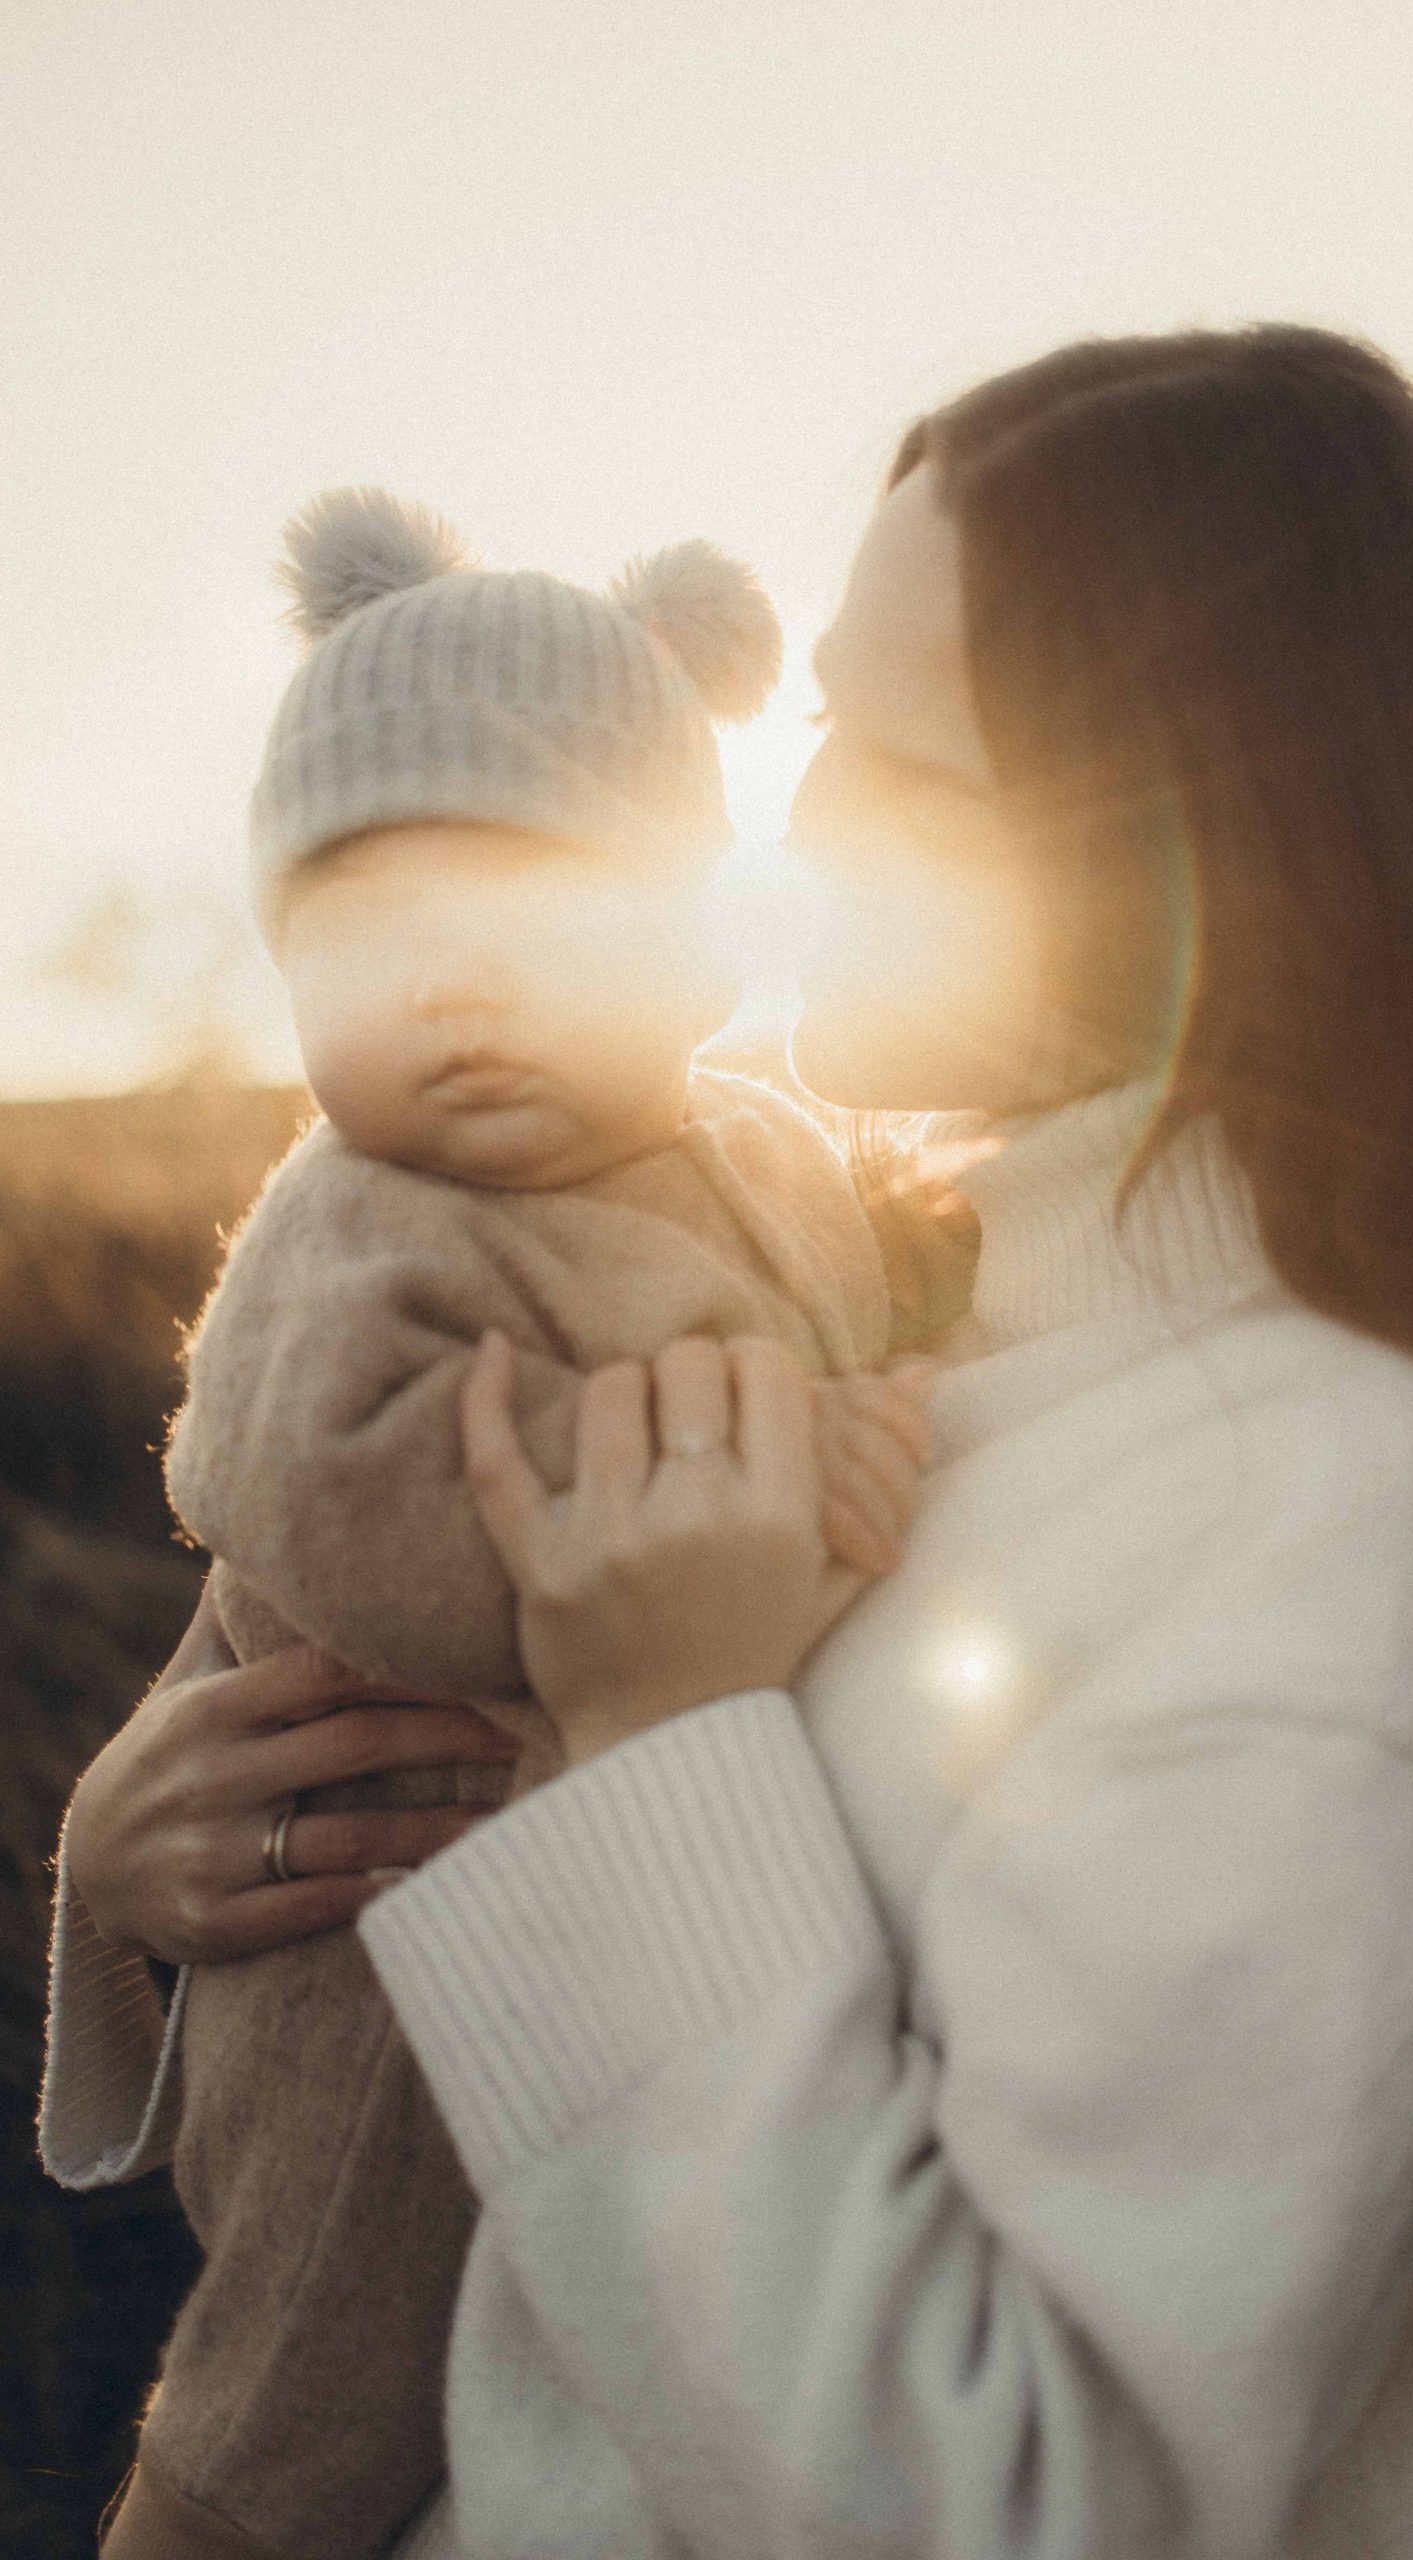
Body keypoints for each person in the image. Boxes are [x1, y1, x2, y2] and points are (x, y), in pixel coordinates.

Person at [44, 324, 1413, 2559]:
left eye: (873, 748)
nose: (778, 818)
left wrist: (653, 1722)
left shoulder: (1325, 1552)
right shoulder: (930, 1289)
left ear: (1163, 831)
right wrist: (162, 1847)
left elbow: (1010, 2503)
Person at [45, 486, 932, 2560]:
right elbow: (372, 1525)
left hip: (617, 1903)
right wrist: (785, 1504)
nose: (461, 995)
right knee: (310, 2379)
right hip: (377, 1937)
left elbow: (855, 1325)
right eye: (368, 936)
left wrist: (867, 1406)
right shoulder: (347, 1227)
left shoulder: (771, 1155)